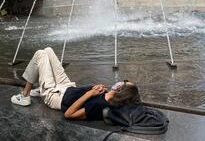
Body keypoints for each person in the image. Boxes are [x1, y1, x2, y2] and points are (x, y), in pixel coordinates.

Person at [11, 48, 141, 121]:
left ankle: (25, 95)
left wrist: (90, 93)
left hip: (55, 97)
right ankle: (41, 88)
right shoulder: (107, 95)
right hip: (67, 86)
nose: (120, 82)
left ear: (120, 89)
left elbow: (69, 114)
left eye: (124, 82)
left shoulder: (101, 105)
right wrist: (93, 88)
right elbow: (84, 95)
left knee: (40, 54)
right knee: (48, 51)